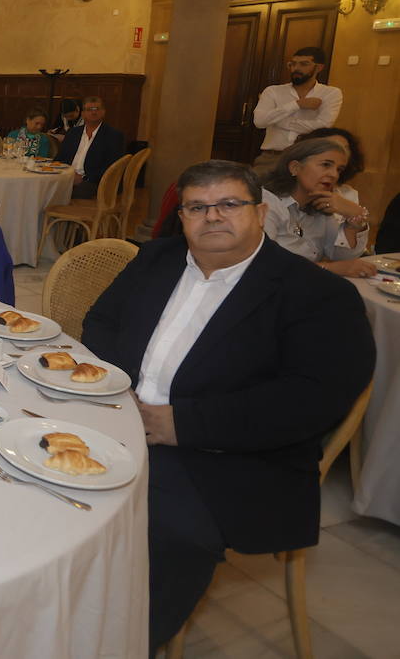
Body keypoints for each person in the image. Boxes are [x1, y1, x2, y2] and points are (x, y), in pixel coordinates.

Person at [82, 159, 374, 651]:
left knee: (158, 532)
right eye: (197, 207)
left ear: (260, 213)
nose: (212, 216)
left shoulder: (316, 294)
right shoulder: (156, 258)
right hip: (119, 420)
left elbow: (312, 397)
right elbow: (101, 322)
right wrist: (117, 387)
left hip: (226, 457)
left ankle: (120, 643)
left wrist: (182, 424)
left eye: (229, 204)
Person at [261, 137, 375, 278]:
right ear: (295, 168)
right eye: (326, 165)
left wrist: (355, 216)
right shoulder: (266, 203)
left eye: (339, 169)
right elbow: (262, 264)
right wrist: (328, 268)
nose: (334, 175)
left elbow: (342, 258)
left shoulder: (319, 206)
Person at [251, 47, 341, 176]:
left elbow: (323, 127)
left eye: (304, 64)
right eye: (293, 64)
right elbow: (259, 122)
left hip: (309, 160)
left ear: (319, 68)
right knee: (258, 194)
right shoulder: (272, 91)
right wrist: (296, 104)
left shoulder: (331, 93)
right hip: (271, 158)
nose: (296, 68)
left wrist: (278, 121)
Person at [54, 96, 124, 199]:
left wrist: (84, 178)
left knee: (70, 193)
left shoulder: (114, 136)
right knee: (44, 188)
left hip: (94, 182)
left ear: (103, 112)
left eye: (97, 109)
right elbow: (60, 159)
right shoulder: (72, 133)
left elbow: (112, 167)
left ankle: (64, 214)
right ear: (82, 113)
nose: (93, 112)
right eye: (89, 109)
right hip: (67, 177)